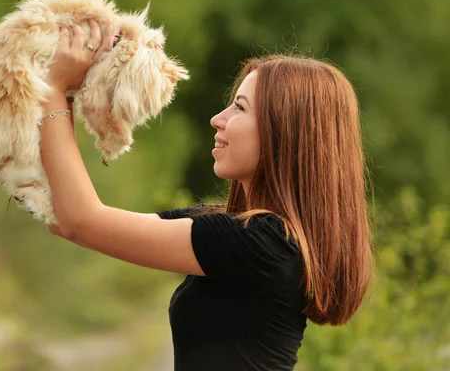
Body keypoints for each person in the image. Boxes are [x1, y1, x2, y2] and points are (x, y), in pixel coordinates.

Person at [40, 19, 375, 371]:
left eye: (240, 108)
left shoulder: (260, 242)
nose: (218, 119)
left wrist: (53, 87)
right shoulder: (243, 232)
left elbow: (83, 221)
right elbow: (67, 218)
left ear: (284, 134)